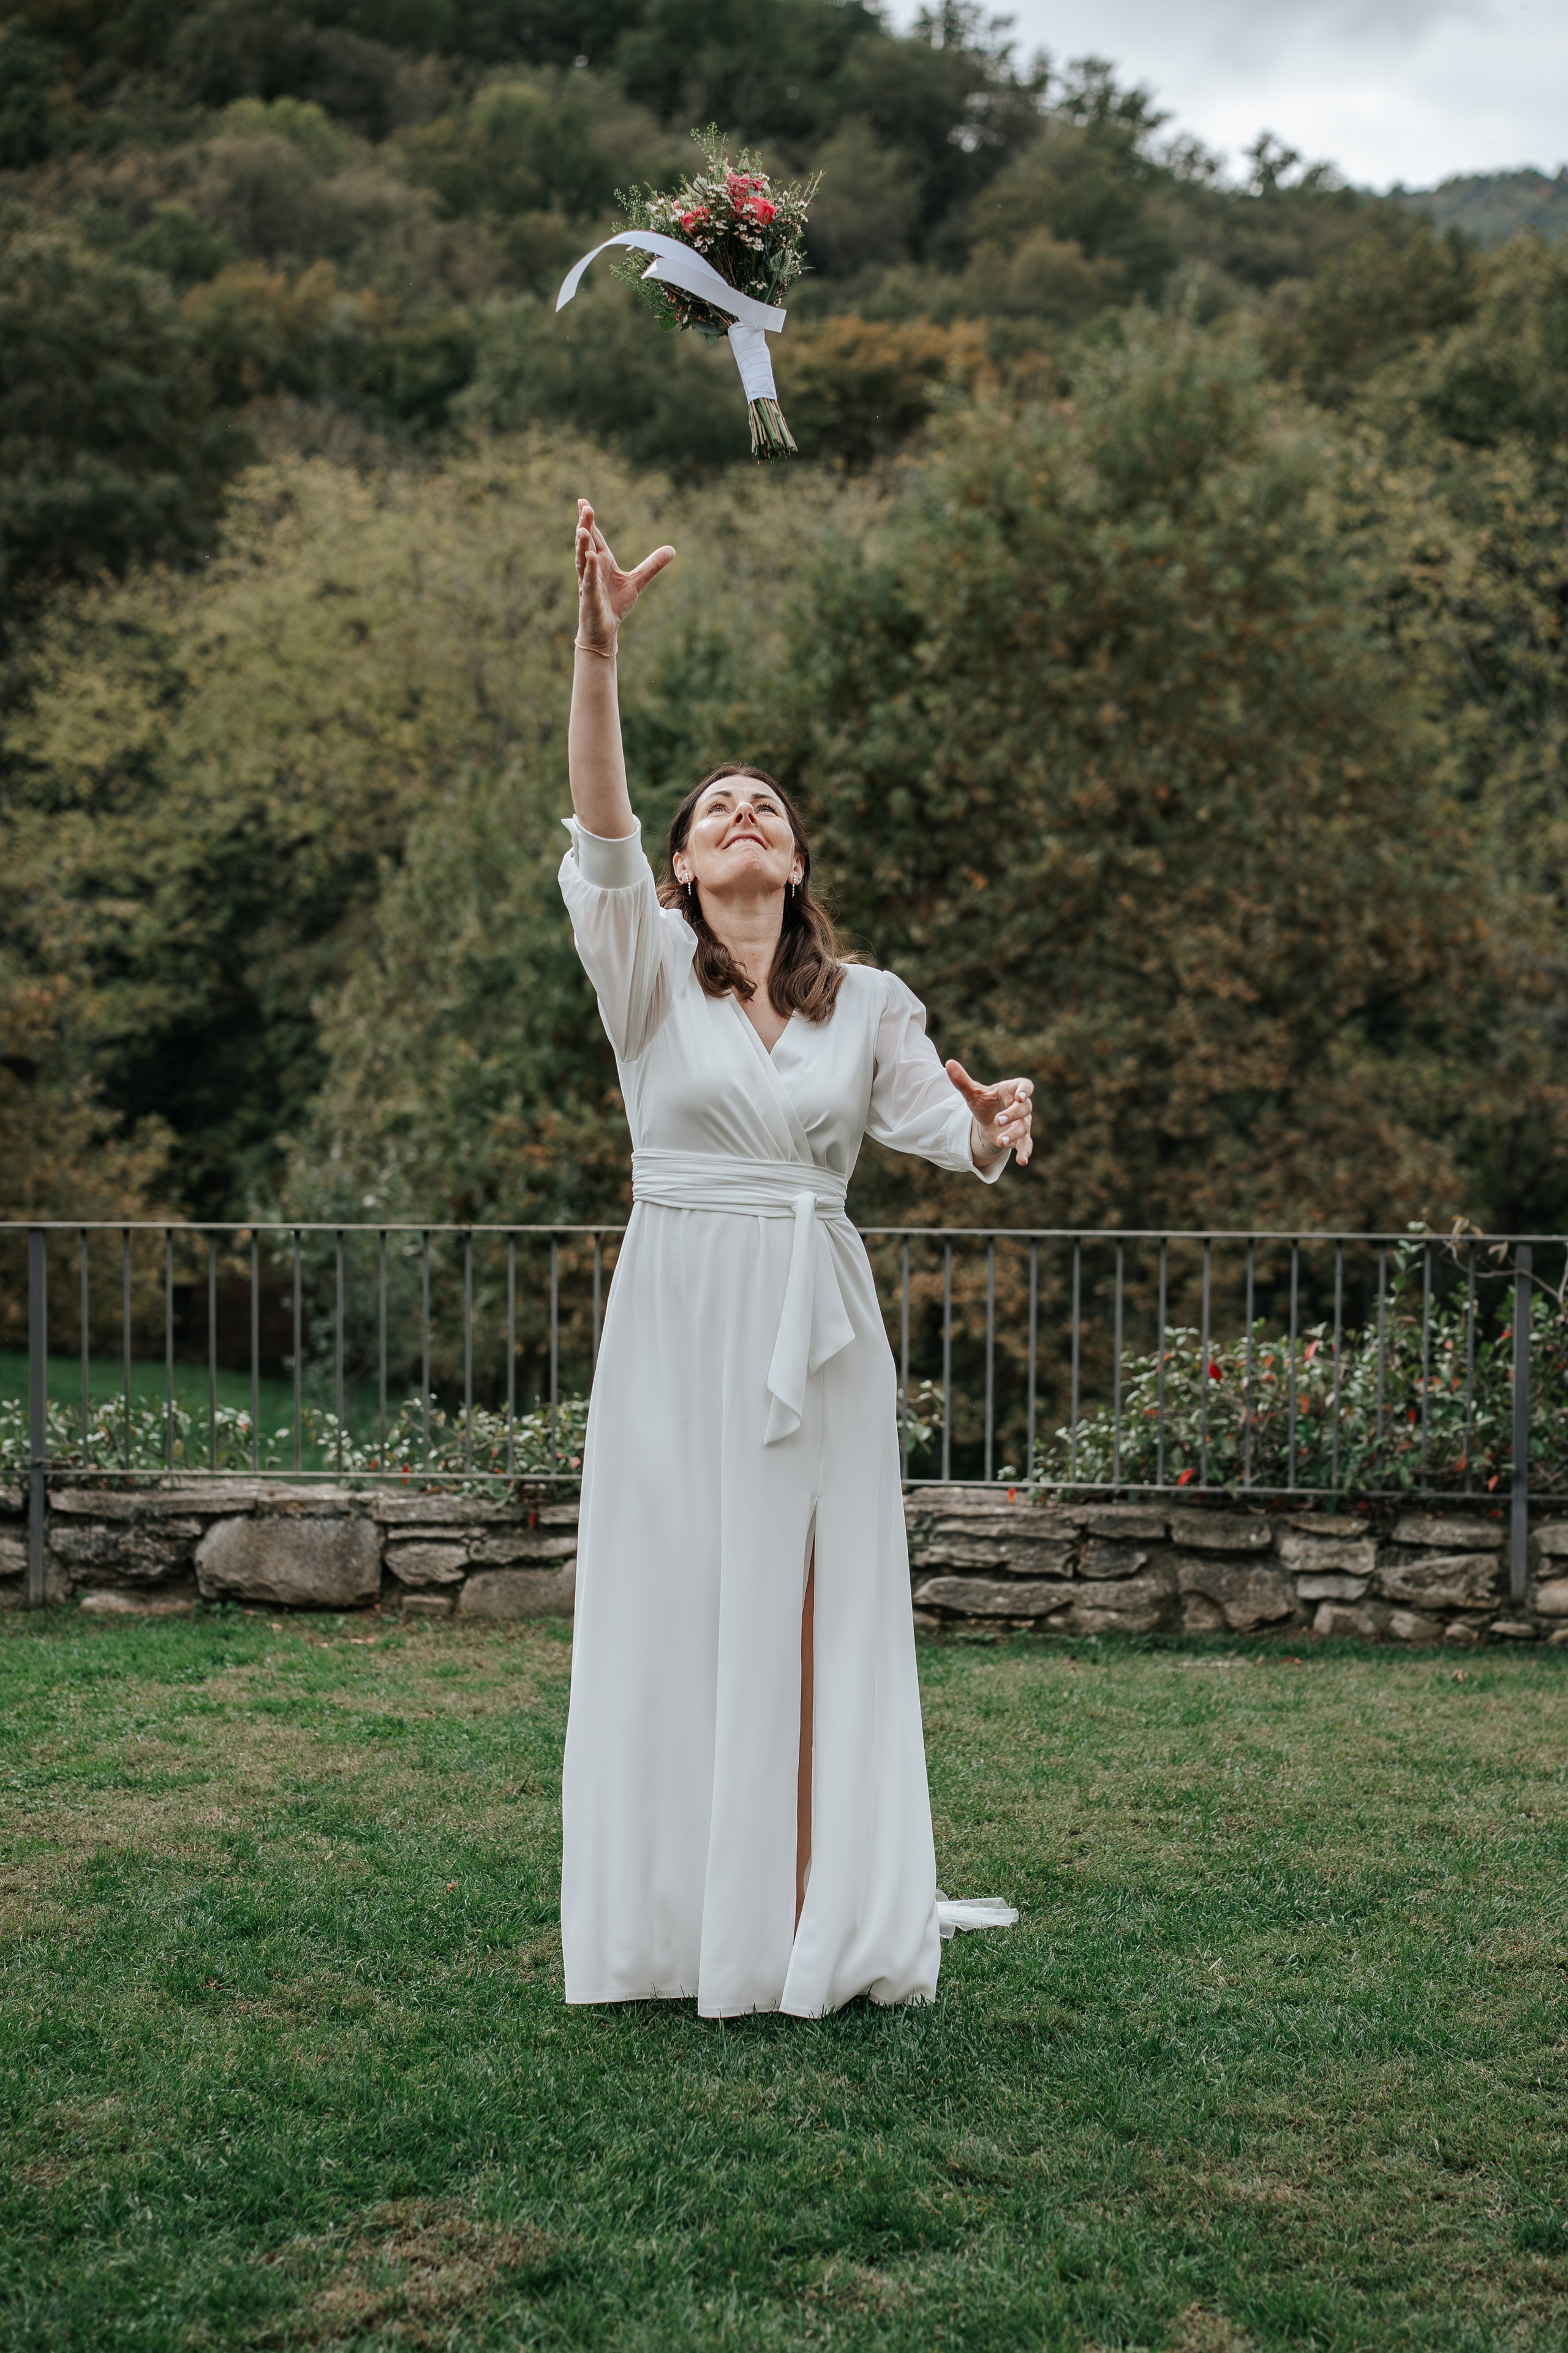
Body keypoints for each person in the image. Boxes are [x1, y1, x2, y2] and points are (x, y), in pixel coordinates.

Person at [559, 499, 1034, 2017]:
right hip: (678, 1304)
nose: (742, 812)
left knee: (822, 1600)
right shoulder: (642, 972)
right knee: (685, 1593)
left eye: (765, 802)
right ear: (687, 872)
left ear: (796, 853)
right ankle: (692, 1915)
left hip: (814, 1320)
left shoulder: (869, 999)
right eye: (718, 810)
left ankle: (823, 1907)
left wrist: (994, 1126)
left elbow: (938, 1126)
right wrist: (595, 652)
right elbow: (598, 820)